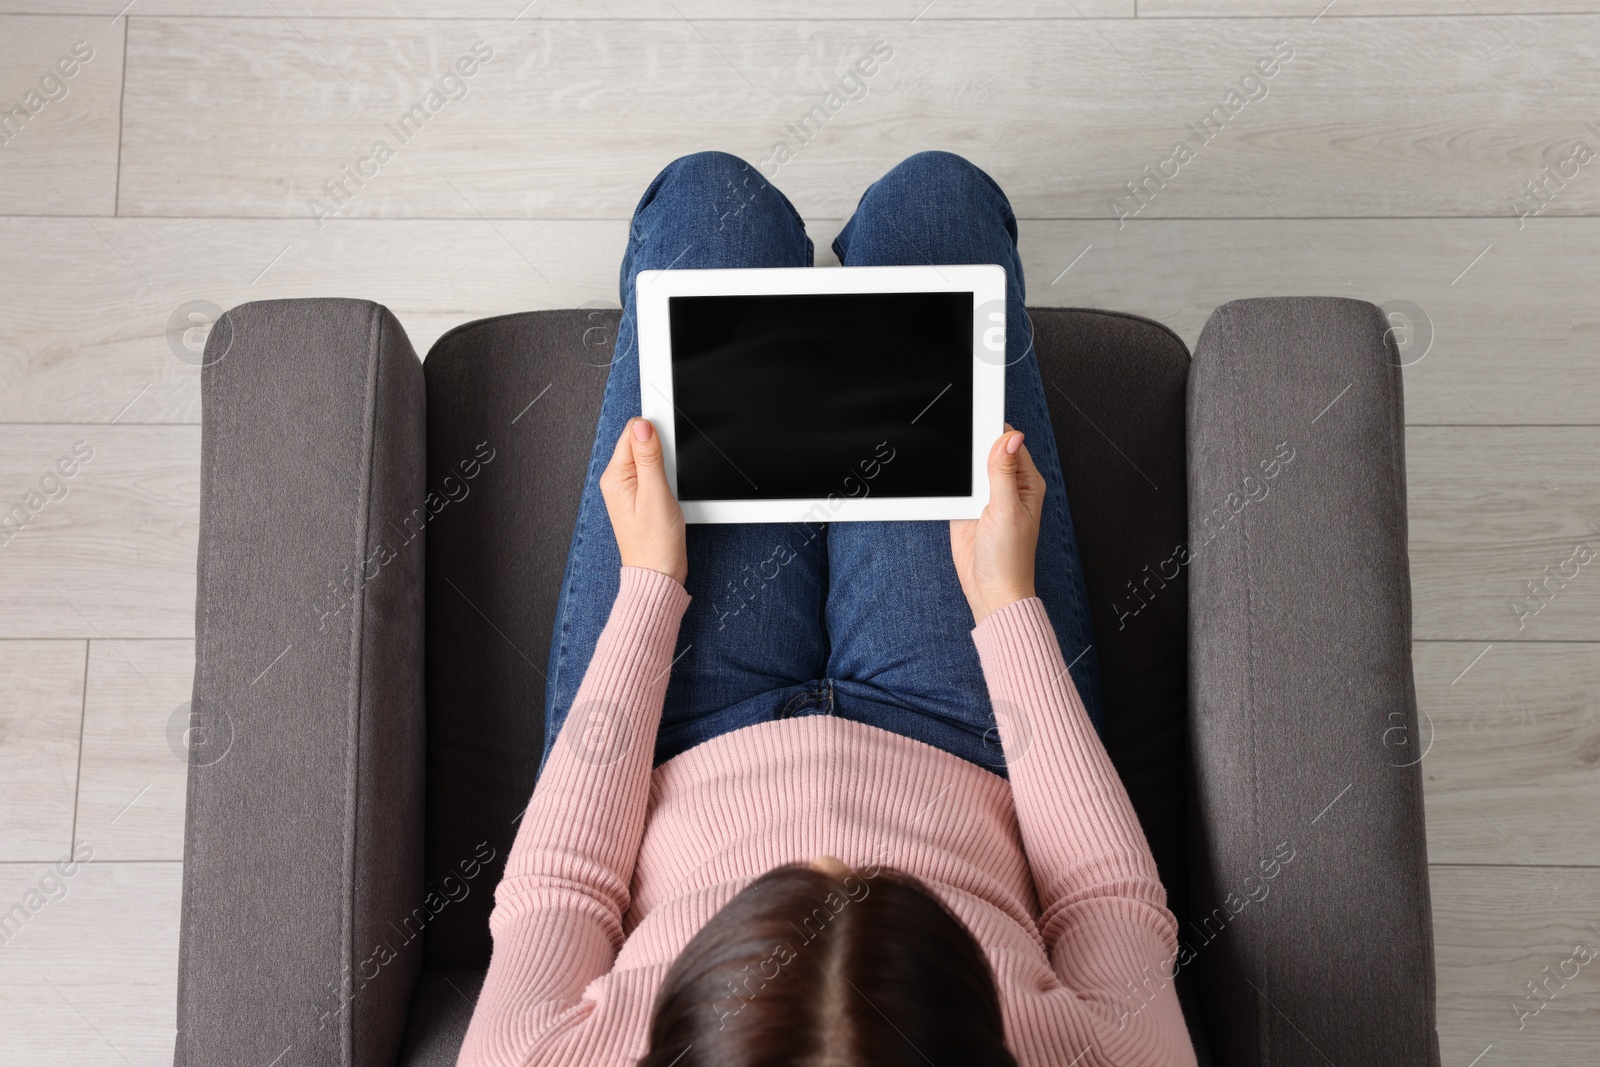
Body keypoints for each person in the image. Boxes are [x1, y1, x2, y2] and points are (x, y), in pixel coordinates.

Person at [457, 152, 1197, 1067]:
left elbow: (562, 894)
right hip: (967, 739)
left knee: (714, 204)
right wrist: (1007, 605)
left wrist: (649, 586)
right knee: (933, 202)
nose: (837, 847)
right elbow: (1101, 902)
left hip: (678, 746)